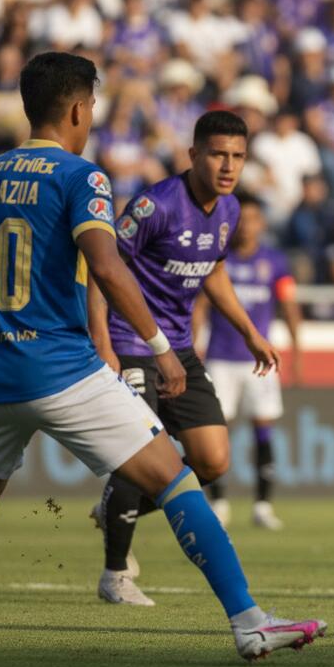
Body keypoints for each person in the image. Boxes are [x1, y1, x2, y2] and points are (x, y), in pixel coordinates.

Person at [0, 52, 323, 662]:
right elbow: (107, 266)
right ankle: (248, 621)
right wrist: (162, 348)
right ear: (80, 109)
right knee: (176, 478)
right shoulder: (80, 177)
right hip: (61, 367)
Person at [88, 110, 282, 606]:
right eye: (218, 153)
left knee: (213, 461)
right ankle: (115, 574)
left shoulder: (230, 210)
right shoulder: (155, 206)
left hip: (178, 346)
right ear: (193, 154)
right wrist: (103, 343)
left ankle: (115, 506)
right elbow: (101, 269)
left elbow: (213, 274)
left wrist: (250, 332)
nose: (228, 165)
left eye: (238, 156)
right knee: (141, 453)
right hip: (130, 340)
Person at [200, 193, 303, 531]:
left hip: (258, 360)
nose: (248, 225)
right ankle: (218, 503)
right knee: (216, 432)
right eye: (242, 218)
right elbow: (200, 305)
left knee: (264, 428)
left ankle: (262, 505)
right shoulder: (219, 258)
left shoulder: (274, 262)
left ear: (263, 223)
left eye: (254, 218)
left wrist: (296, 349)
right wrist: (193, 342)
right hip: (219, 357)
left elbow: (288, 306)